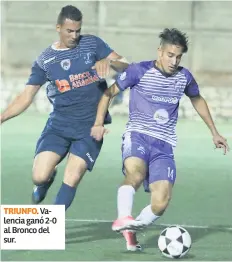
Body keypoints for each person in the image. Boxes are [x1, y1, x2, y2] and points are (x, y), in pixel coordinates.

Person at [90, 28, 230, 251]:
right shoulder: (139, 70)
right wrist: (98, 123)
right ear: (160, 52)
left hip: (164, 145)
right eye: (170, 55)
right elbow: (109, 93)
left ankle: (132, 229)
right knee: (135, 174)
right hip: (138, 136)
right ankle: (123, 217)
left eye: (178, 56)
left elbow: (197, 98)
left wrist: (214, 131)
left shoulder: (184, 77)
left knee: (161, 202)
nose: (174, 61)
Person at [0, 5, 128, 211]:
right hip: (59, 125)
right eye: (70, 31)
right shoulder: (45, 61)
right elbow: (26, 96)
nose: (75, 35)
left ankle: (50, 225)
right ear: (58, 28)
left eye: (78, 30)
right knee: (39, 175)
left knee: (73, 176)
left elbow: (126, 65)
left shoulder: (92, 44)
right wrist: (2, 117)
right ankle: (45, 181)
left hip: (90, 127)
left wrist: (110, 61)